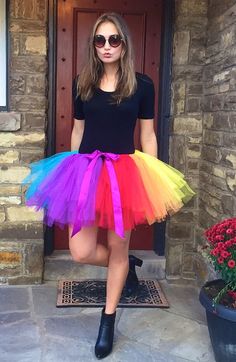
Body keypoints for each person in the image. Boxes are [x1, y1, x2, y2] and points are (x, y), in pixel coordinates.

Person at [23, 12, 195, 360]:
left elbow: (147, 134)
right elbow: (78, 130)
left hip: (124, 175)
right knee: (81, 250)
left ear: (124, 43)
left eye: (113, 39)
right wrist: (73, 172)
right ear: (93, 45)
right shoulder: (82, 82)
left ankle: (108, 319)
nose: (106, 46)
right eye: (99, 40)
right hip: (85, 172)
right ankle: (126, 264)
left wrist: (152, 176)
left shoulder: (142, 85)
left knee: (116, 247)